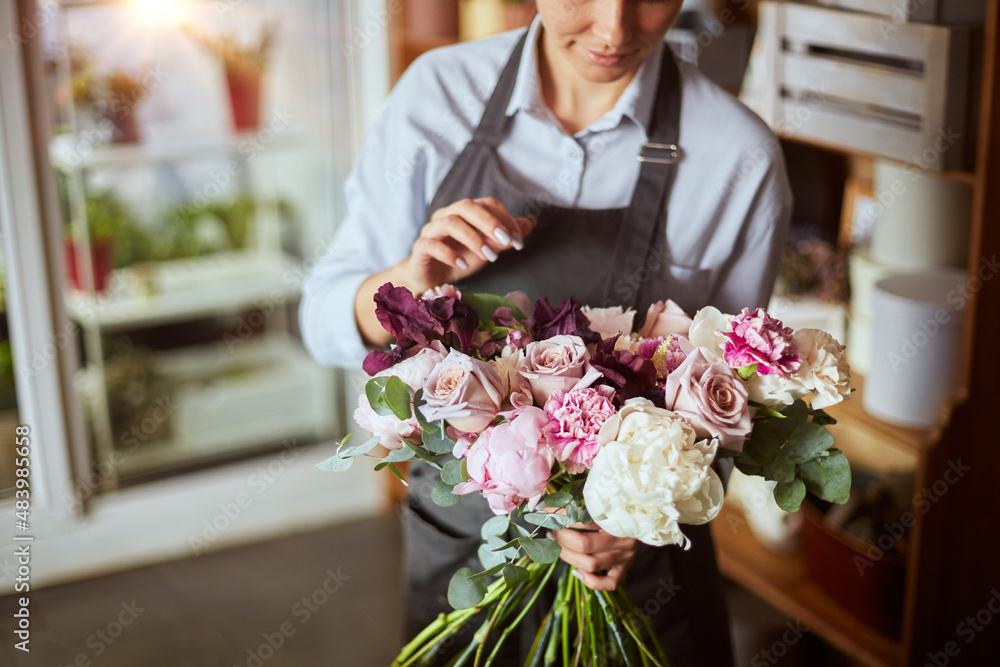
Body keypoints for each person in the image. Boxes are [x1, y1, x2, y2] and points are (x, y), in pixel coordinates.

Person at [301, 1, 792, 664]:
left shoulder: (737, 157)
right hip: (464, 555)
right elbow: (321, 317)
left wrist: (650, 514)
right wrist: (404, 286)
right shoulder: (437, 96)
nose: (614, 30)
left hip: (638, 580)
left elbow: (735, 399)